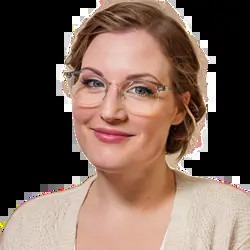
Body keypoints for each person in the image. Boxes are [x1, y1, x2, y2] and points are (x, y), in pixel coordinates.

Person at [1, 0, 249, 249]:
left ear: (179, 108)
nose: (110, 112)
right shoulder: (28, 228)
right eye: (94, 83)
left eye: (141, 89)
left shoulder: (233, 221)